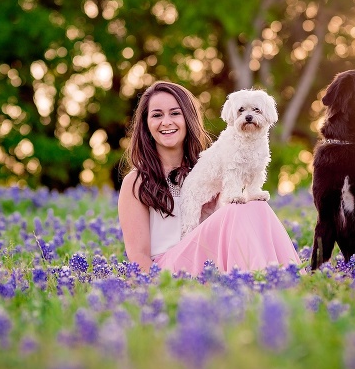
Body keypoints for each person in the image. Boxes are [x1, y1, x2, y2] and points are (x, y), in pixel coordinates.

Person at [117, 80, 301, 275]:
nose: (166, 121)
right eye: (157, 115)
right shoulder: (137, 181)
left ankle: (267, 280)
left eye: (175, 113)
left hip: (210, 264)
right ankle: (269, 280)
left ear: (188, 118)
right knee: (238, 208)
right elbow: (138, 256)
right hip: (169, 272)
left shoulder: (208, 169)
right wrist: (162, 288)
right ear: (146, 124)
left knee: (256, 205)